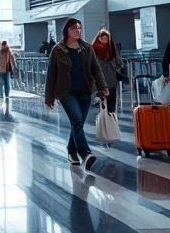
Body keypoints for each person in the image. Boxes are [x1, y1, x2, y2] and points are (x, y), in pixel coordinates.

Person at [44, 18, 108, 172]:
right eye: (75, 28)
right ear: (67, 31)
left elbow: (95, 69)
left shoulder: (87, 48)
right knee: (77, 121)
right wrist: (49, 97)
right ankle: (86, 154)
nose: (78, 31)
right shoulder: (58, 50)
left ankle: (71, 151)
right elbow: (51, 73)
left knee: (77, 124)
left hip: (85, 91)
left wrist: (102, 87)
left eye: (79, 28)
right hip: (66, 93)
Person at [91, 29, 124, 114]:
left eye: (106, 39)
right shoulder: (94, 49)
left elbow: (117, 58)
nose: (105, 41)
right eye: (103, 39)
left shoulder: (111, 47)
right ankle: (102, 113)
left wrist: (117, 66)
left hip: (111, 75)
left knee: (111, 95)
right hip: (100, 77)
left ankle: (110, 113)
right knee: (101, 97)